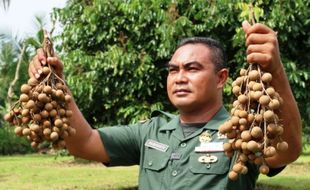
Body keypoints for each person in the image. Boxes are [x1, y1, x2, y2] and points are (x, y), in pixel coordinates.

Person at [28, 21, 302, 189]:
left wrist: (274, 70)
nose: (180, 78)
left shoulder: (241, 131)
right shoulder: (151, 131)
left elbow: (286, 151)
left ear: (221, 79)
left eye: (192, 69)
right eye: (173, 70)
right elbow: (83, 142)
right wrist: (57, 85)